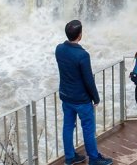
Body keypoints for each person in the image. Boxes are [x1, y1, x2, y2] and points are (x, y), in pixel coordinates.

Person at [55, 20, 113, 165]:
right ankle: (94, 158)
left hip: (66, 96)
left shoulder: (59, 49)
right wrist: (96, 98)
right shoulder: (82, 55)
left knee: (67, 126)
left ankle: (70, 157)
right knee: (88, 129)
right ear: (80, 35)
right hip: (81, 99)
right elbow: (88, 80)